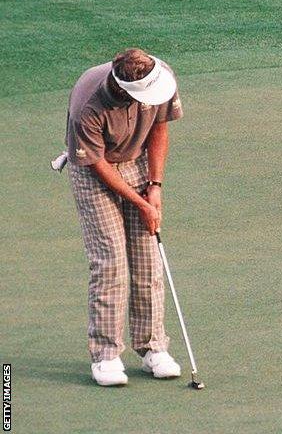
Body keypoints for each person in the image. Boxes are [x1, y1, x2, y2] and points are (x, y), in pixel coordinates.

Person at [65, 48, 184, 386]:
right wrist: (141, 203)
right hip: (94, 173)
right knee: (111, 262)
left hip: (139, 164)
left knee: (148, 257)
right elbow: (99, 165)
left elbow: (159, 130)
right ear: (125, 90)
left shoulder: (161, 76)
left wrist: (155, 186)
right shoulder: (89, 103)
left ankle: (152, 348)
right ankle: (105, 356)